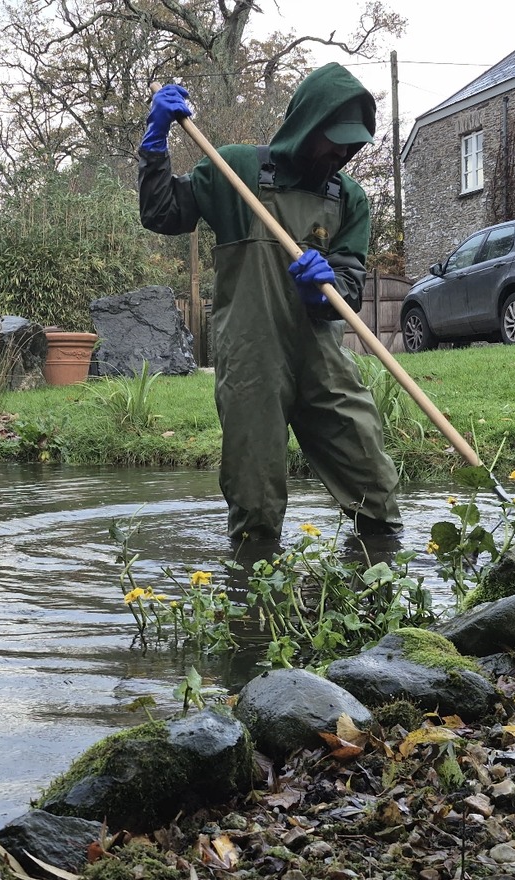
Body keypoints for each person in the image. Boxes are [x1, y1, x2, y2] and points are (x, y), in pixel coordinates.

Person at [137, 63, 403, 559]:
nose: (344, 153)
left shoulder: (348, 197)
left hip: (319, 356)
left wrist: (323, 290)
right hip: (251, 357)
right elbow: (162, 213)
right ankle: (254, 608)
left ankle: (383, 586)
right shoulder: (233, 169)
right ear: (307, 124)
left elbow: (349, 288)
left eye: (354, 143)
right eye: (336, 139)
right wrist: (154, 143)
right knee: (254, 497)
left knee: (371, 476)